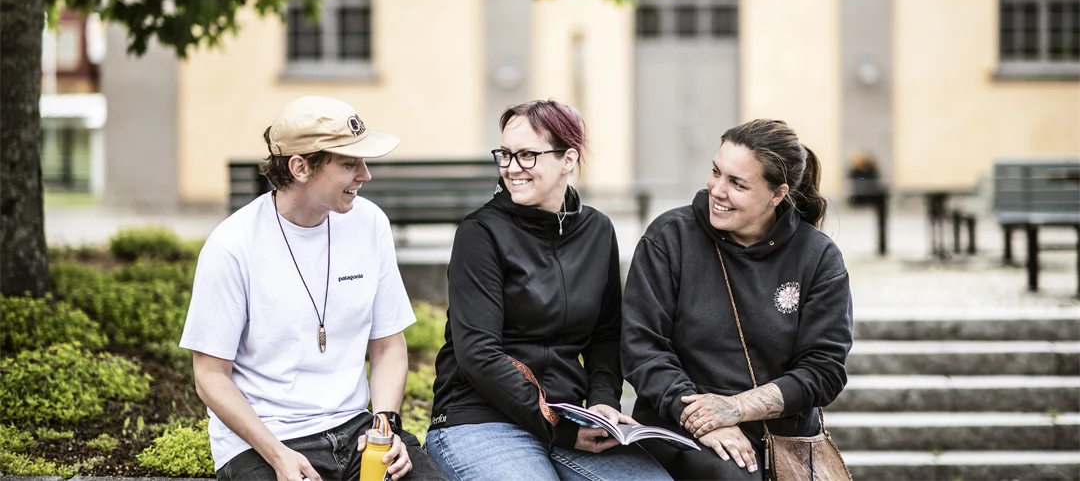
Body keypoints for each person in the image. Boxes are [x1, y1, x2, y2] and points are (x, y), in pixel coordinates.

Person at [179, 96, 447, 481]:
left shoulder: (369, 223)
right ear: (300, 167)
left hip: (357, 432)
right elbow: (210, 375)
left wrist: (385, 427)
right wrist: (278, 455)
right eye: (348, 163)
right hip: (265, 441)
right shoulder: (232, 246)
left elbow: (388, 345)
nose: (365, 175)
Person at [423, 100, 671, 481]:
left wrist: (603, 402)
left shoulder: (598, 231)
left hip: (565, 416)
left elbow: (606, 335)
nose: (511, 168)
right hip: (480, 418)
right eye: (505, 154)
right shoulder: (480, 234)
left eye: (527, 155)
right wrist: (562, 431)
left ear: (568, 159)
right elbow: (478, 354)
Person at [621, 119, 853, 480]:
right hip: (678, 428)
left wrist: (734, 409)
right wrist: (703, 419)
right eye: (716, 172)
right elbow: (642, 346)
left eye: (737, 183)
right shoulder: (670, 238)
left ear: (777, 194)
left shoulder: (818, 257)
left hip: (782, 440)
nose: (717, 189)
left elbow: (824, 370)